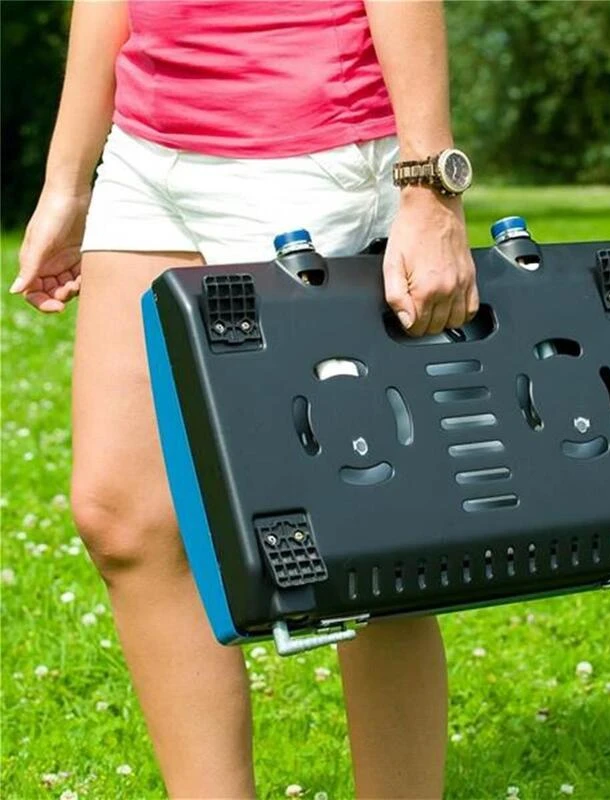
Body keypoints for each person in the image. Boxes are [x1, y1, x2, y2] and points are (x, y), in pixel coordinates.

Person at [11, 1, 479, 797]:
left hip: (310, 150)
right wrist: (66, 180)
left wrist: (430, 185)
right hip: (145, 154)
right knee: (123, 517)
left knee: (365, 536)